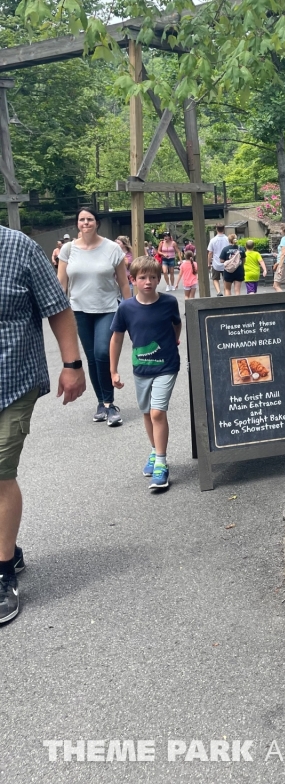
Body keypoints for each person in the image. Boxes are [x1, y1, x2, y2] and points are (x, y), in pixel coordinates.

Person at [0, 225, 87, 623]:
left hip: (12, 380)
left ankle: (2, 575)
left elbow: (58, 308)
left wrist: (72, 365)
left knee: (0, 474)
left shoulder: (19, 247)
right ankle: (9, 549)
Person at [109, 256, 182, 491]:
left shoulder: (169, 302)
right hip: (141, 368)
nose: (148, 282)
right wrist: (113, 370)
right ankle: (154, 450)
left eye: (153, 277)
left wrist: (175, 339)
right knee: (147, 413)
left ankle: (161, 463)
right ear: (133, 280)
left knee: (158, 413)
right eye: (142, 277)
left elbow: (176, 324)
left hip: (167, 366)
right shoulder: (126, 307)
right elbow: (117, 337)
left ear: (159, 279)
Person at [57, 207, 131, 427]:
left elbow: (123, 282)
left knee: (101, 353)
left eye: (90, 219)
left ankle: (110, 404)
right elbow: (61, 284)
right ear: (77, 224)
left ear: (97, 222)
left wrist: (131, 309)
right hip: (78, 310)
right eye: (81, 219)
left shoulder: (112, 249)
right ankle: (102, 402)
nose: (86, 223)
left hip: (107, 309)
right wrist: (57, 311)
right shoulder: (68, 250)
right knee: (90, 358)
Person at [207, 224, 229, 297]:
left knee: (215, 278)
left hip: (216, 263)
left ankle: (218, 291)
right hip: (226, 262)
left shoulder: (213, 240)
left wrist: (209, 263)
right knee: (225, 278)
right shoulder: (227, 239)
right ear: (224, 229)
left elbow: (210, 252)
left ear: (216, 229)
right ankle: (226, 290)